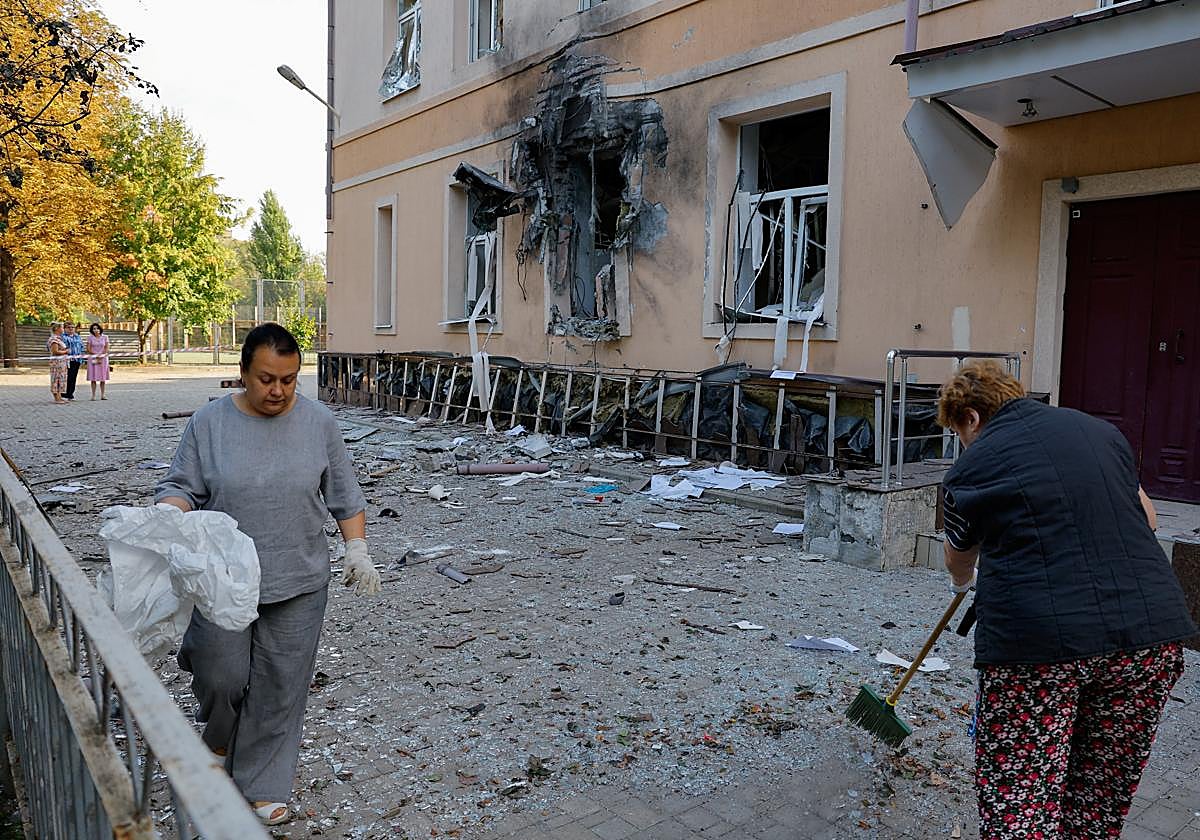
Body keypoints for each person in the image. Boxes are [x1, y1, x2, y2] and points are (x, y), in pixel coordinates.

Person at [937, 360, 1196, 839]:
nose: (962, 441)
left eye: (958, 430)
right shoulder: (1100, 434)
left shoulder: (970, 468)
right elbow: (1150, 519)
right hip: (1148, 641)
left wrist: (960, 583)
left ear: (970, 418)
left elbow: (959, 557)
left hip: (1037, 652)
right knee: (1096, 801)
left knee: (1021, 804)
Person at [155, 322, 381, 826]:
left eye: (289, 379)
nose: (278, 391)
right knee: (222, 675)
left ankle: (260, 781)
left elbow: (344, 495)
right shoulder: (209, 424)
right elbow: (181, 486)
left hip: (298, 579)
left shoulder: (319, 423)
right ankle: (216, 735)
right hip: (224, 582)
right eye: (266, 379)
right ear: (242, 375)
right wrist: (167, 516)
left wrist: (357, 549)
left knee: (281, 685)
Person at [46, 322, 70, 404]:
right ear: (57, 329)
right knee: (56, 379)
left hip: (62, 363)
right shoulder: (54, 339)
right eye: (62, 328)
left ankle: (60, 397)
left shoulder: (59, 339)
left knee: (61, 379)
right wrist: (66, 351)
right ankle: (56, 398)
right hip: (56, 363)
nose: (63, 329)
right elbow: (55, 351)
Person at [86, 322, 110, 400]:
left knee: (102, 378)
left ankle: (103, 395)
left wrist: (101, 355)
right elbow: (88, 349)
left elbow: (106, 348)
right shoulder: (90, 338)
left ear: (100, 329)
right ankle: (93, 395)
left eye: (97, 328)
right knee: (93, 378)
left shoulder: (105, 337)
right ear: (92, 330)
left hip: (103, 359)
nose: (96, 330)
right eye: (94, 329)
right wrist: (96, 355)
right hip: (93, 358)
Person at [62, 322, 84, 400]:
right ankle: (64, 393)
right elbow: (63, 347)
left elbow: (81, 346)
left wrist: (81, 356)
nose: (71, 329)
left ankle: (71, 394)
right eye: (69, 327)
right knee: (67, 377)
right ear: (64, 329)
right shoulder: (63, 337)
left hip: (77, 360)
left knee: (73, 377)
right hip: (67, 360)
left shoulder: (77, 336)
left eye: (72, 327)